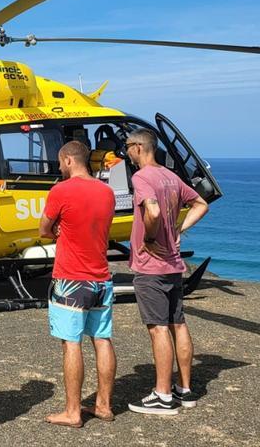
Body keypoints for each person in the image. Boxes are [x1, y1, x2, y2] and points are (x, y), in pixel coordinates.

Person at [124, 128, 209, 415]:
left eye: (128, 147)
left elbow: (154, 212)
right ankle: (184, 389)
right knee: (178, 323)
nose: (126, 152)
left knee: (158, 328)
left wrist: (149, 239)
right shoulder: (171, 177)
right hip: (173, 265)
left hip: (152, 266)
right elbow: (201, 203)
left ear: (138, 147)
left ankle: (162, 394)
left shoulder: (141, 177)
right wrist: (178, 230)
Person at [39, 141, 117, 428]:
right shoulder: (106, 192)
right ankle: (104, 405)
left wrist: (58, 230)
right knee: (102, 339)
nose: (59, 167)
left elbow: (43, 228)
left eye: (60, 162)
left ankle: (73, 411)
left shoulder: (61, 190)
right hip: (101, 278)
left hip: (71, 278)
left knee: (71, 343)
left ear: (68, 160)